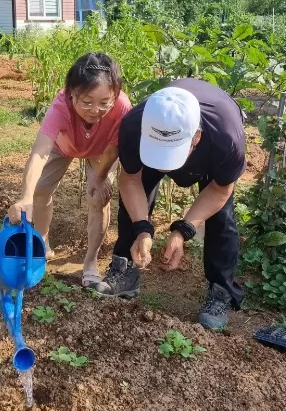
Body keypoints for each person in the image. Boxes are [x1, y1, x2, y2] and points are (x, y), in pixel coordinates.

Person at [96, 78, 246, 330]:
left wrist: (183, 230)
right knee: (133, 203)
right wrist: (142, 229)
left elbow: (221, 190)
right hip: (165, 134)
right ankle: (124, 267)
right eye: (157, 151)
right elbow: (130, 179)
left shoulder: (226, 137)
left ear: (195, 138)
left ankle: (222, 292)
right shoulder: (134, 125)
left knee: (222, 219)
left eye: (171, 152)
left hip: (213, 147)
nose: (163, 165)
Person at [8, 52, 132, 287]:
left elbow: (113, 148)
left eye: (104, 103)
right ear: (71, 93)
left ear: (115, 96)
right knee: (41, 190)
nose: (95, 110)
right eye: (86, 102)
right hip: (64, 145)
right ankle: (42, 243)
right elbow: (40, 152)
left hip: (102, 151)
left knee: (99, 198)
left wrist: (101, 177)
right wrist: (25, 197)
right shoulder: (60, 106)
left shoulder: (122, 107)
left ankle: (91, 262)